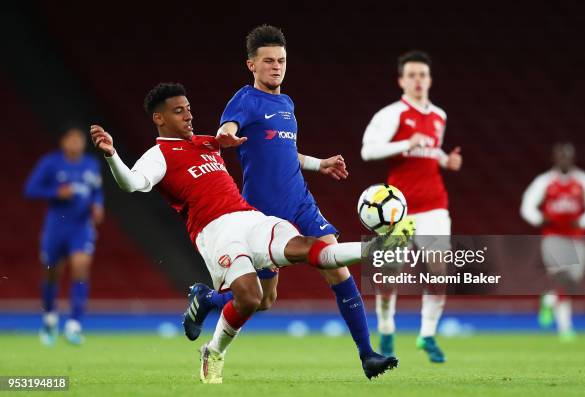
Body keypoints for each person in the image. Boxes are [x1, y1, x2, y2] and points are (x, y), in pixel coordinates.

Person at [90, 82, 376, 384]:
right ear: (159, 119)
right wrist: (112, 156)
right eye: (178, 111)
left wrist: (318, 163)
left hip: (249, 217)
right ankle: (213, 352)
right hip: (215, 231)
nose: (188, 116)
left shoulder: (207, 142)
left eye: (188, 109)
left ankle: (373, 248)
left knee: (309, 248)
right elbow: (131, 183)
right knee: (251, 298)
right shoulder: (158, 155)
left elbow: (274, 149)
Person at [182, 24, 397, 379]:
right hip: (261, 215)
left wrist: (319, 164)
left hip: (301, 203)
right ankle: (207, 300)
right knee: (263, 300)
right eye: (268, 61)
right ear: (251, 65)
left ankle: (367, 355)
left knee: (336, 268)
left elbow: (283, 151)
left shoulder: (286, 103)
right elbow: (228, 130)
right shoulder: (244, 99)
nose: (276, 67)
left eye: (281, 60)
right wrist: (227, 135)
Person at [361, 51, 463, 362]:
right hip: (398, 209)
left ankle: (427, 335)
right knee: (389, 274)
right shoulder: (391, 114)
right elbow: (368, 151)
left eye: (423, 75)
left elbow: (430, 151)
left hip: (434, 205)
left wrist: (447, 160)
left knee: (438, 271)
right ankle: (388, 329)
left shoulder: (439, 116)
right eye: (412, 75)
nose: (418, 80)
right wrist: (406, 142)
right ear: (402, 81)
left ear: (430, 80)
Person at [24, 126, 104, 346]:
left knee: (81, 267)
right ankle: (50, 318)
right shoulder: (50, 163)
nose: (76, 144)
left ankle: (74, 325)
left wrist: (98, 205)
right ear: (63, 142)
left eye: (79, 140)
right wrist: (56, 192)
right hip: (56, 228)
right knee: (52, 274)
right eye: (72, 139)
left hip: (81, 227)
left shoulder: (91, 164)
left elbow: (97, 191)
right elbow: (30, 189)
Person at [520, 142, 585, 341]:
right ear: (554, 158)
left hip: (577, 237)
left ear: (572, 158)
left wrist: (582, 221)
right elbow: (527, 205)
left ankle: (549, 300)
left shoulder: (584, 181)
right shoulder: (545, 181)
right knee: (563, 278)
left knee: (572, 282)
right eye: (560, 156)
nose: (564, 159)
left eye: (567, 156)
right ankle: (565, 328)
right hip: (554, 237)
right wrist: (540, 218)